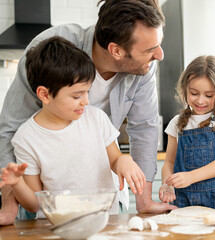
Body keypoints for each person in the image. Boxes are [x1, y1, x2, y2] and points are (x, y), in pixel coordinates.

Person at [0, 0, 175, 225]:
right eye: (151, 49)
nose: (159, 55)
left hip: (103, 203)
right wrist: (8, 202)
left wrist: (144, 200)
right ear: (116, 50)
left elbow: (144, 127)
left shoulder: (144, 66)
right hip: (51, 211)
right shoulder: (50, 50)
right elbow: (10, 127)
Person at [0, 36, 146, 217]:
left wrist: (124, 161)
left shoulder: (96, 118)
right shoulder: (26, 138)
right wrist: (16, 184)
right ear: (44, 94)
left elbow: (115, 160)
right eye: (77, 96)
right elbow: (35, 204)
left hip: (105, 220)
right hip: (57, 226)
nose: (86, 101)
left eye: (87, 92)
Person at [159, 55, 215, 209]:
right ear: (185, 90)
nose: (201, 101)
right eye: (194, 93)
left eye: (209, 95)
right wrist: (167, 183)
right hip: (182, 200)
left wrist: (191, 177)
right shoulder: (177, 122)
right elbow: (169, 162)